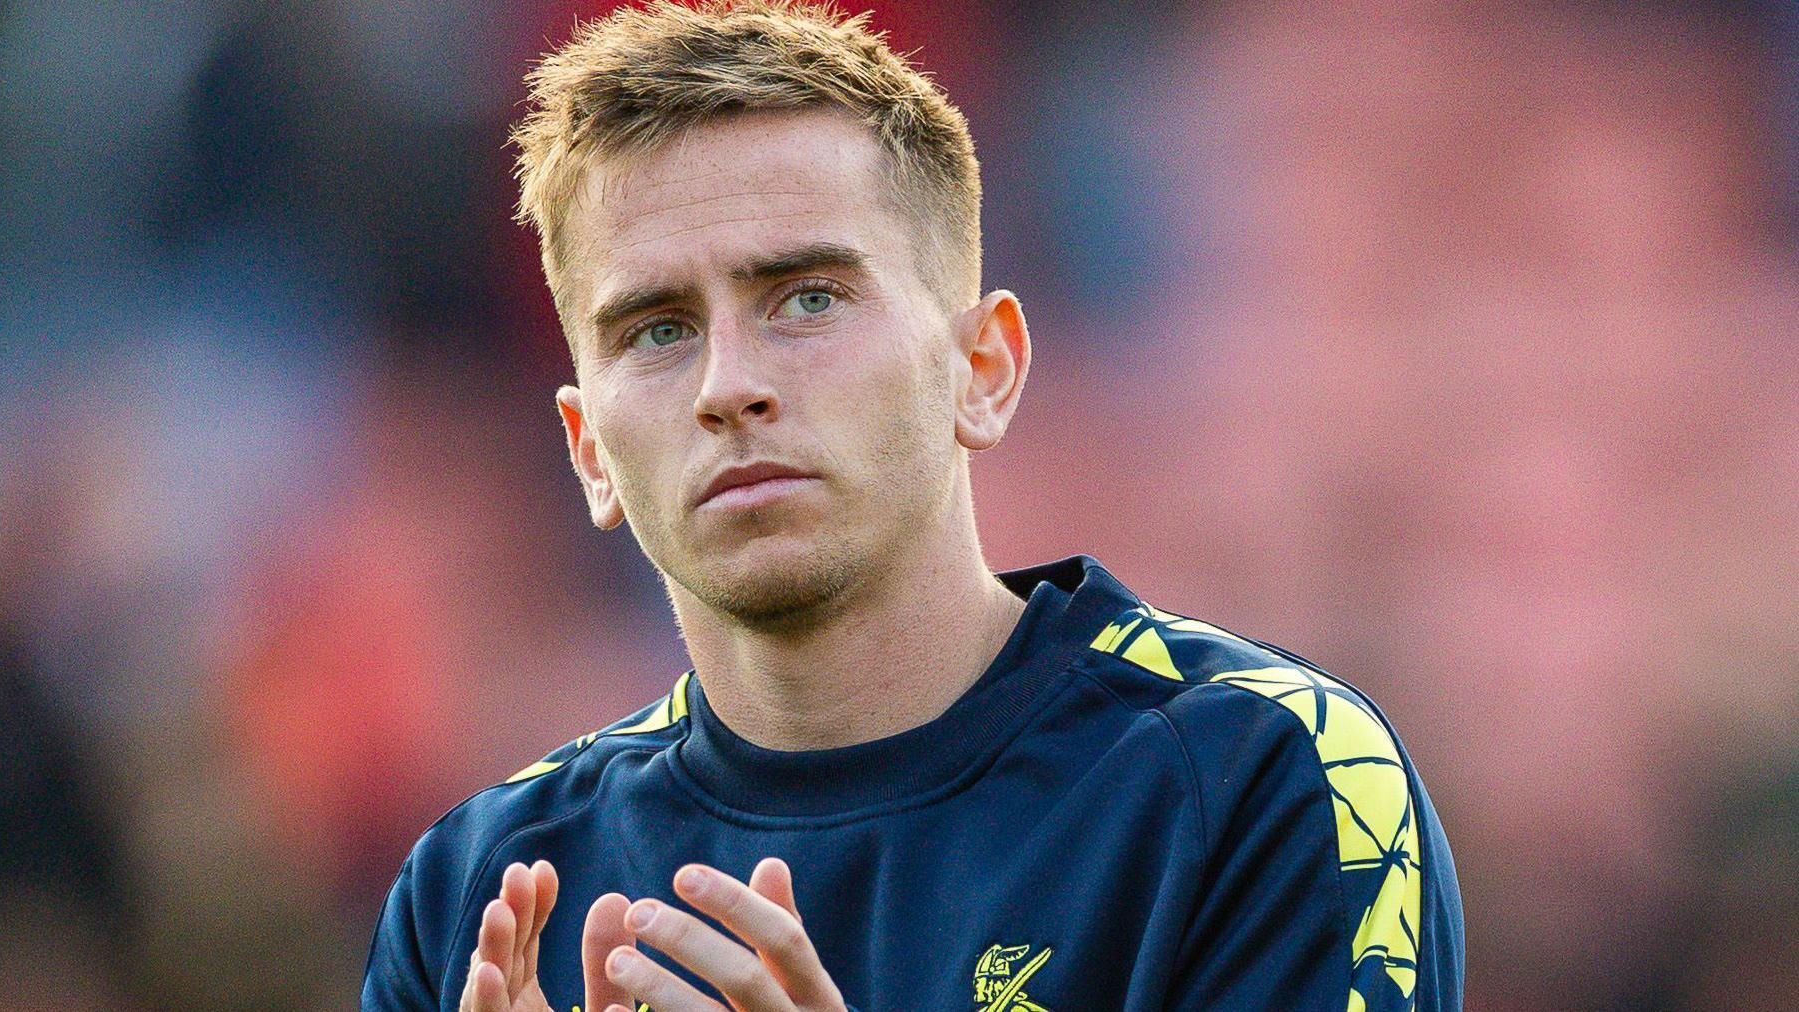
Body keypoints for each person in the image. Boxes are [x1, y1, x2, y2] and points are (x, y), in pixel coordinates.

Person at [361, 2, 1464, 1010]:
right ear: (590, 449)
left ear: (982, 369)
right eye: (657, 327)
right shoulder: (475, 893)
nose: (726, 384)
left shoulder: (1255, 776)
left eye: (807, 297)